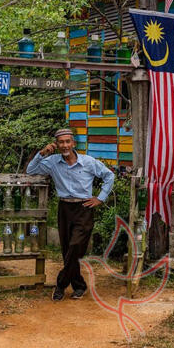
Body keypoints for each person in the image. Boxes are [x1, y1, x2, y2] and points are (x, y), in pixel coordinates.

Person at [27, 128, 115, 301]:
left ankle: (60, 285)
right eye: (61, 142)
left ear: (74, 144)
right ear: (57, 145)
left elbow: (109, 176)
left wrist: (100, 198)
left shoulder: (88, 162)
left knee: (75, 246)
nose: (65, 145)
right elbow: (31, 171)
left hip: (84, 208)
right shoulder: (52, 162)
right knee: (67, 249)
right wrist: (42, 153)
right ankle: (79, 286)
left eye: (68, 141)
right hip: (64, 209)